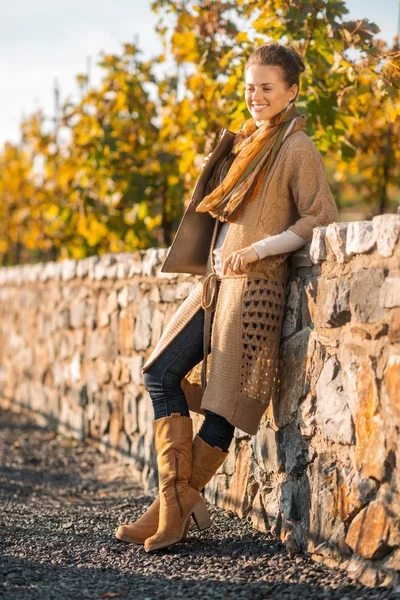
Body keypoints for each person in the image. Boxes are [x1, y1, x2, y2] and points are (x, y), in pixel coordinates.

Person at [115, 42, 339, 553]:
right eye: (249, 87)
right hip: (214, 286)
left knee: (221, 407)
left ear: (291, 91)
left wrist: (261, 249)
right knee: (160, 371)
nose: (255, 96)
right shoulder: (243, 144)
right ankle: (177, 504)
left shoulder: (296, 148)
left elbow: (320, 217)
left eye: (266, 87)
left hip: (254, 289)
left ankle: (168, 511)